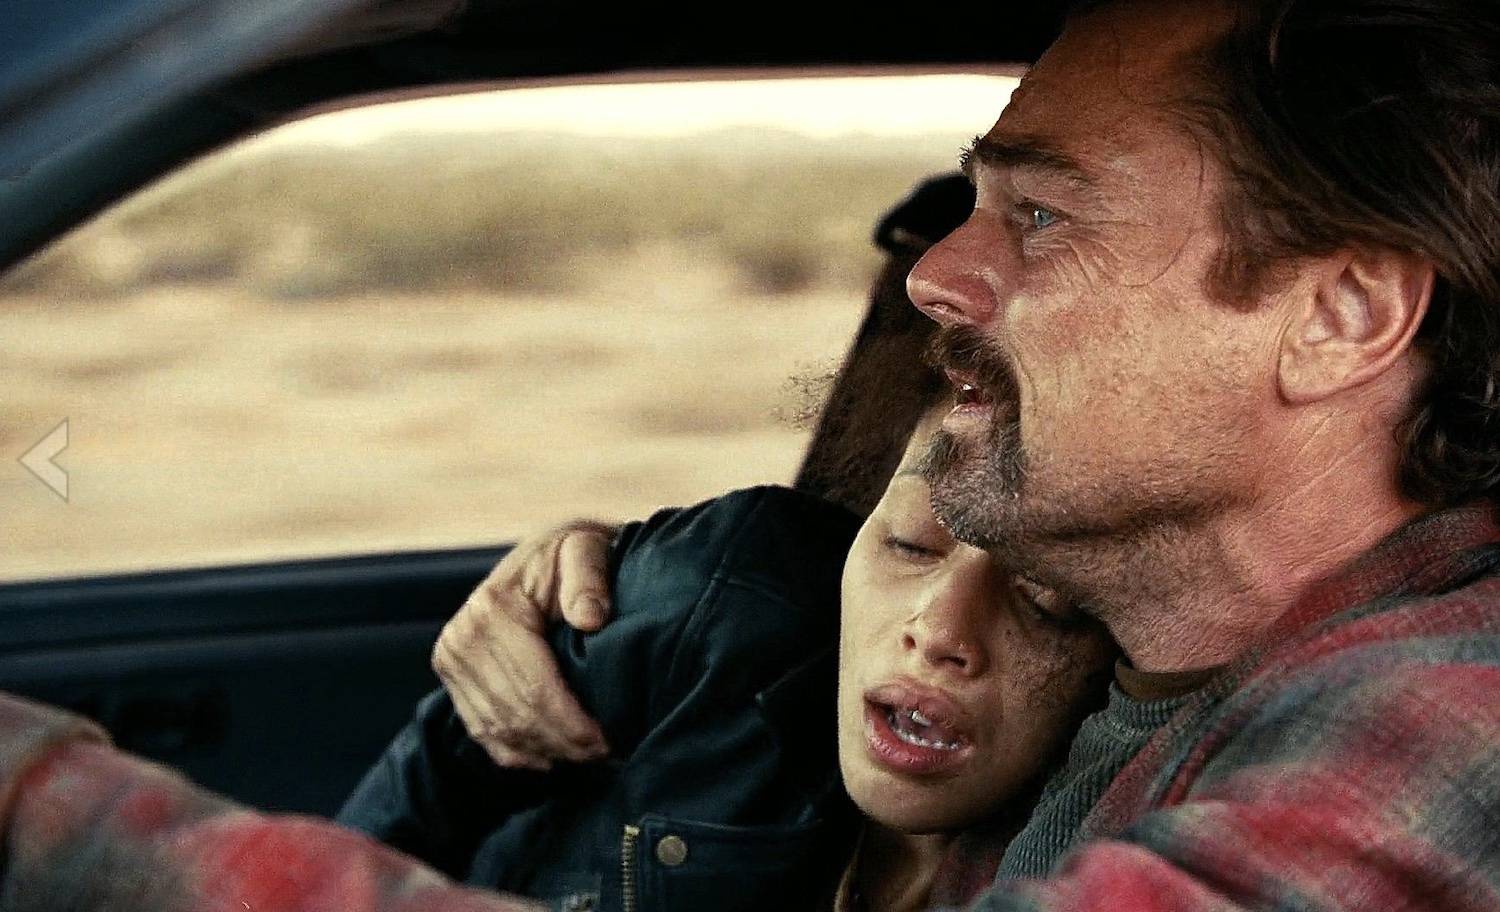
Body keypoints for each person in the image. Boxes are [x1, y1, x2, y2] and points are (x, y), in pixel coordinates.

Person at [435, 1, 1500, 909]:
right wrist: (625, 596)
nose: (932, 277)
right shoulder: (1127, 666)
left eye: (1041, 214)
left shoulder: (1445, 727)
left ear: (1342, 318)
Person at [340, 398, 1118, 912]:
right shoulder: (727, 603)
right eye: (911, 542)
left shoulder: (1113, 849)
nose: (939, 630)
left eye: (1046, 597)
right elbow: (374, 837)